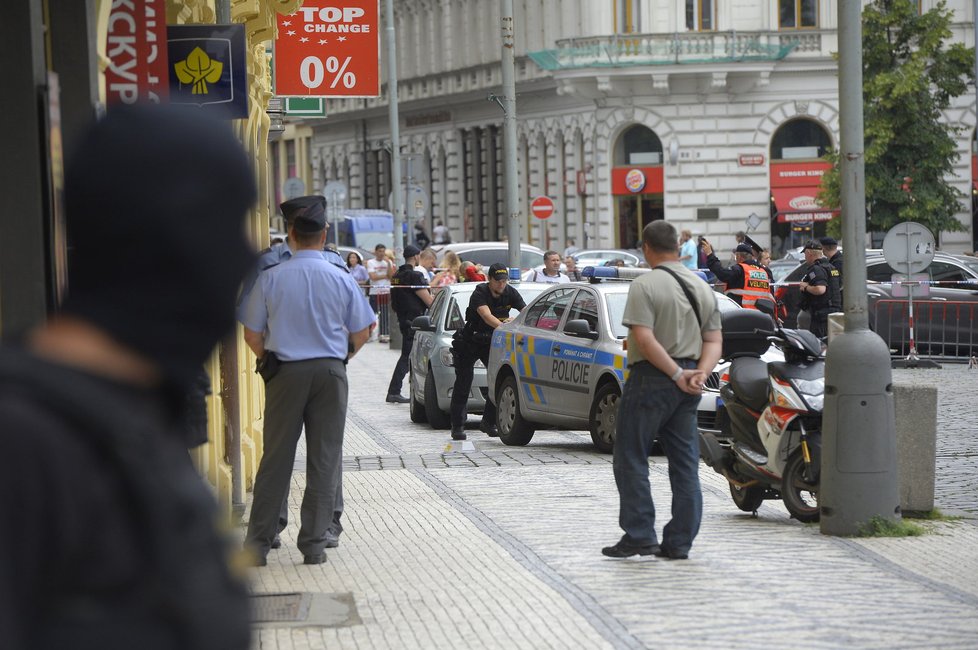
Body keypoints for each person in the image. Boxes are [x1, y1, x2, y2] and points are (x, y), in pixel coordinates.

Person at [0, 105, 253, 648]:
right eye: (229, 224)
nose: (243, 257)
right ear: (172, 232)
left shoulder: (132, 422)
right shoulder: (22, 444)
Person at [240, 200, 375, 567]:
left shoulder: (271, 276)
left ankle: (258, 544)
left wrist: (267, 358)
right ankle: (314, 544)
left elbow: (252, 332)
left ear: (291, 236)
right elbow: (363, 330)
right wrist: (341, 355)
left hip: (285, 372)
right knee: (325, 458)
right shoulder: (341, 276)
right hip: (330, 373)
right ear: (325, 236)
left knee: (276, 458)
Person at [602, 221, 722, 561]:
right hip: (690, 383)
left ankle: (639, 534)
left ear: (646, 247)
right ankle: (679, 542)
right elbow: (714, 340)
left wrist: (674, 373)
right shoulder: (701, 286)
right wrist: (699, 373)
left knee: (631, 456)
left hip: (653, 378)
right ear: (678, 248)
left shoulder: (646, 284)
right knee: (685, 463)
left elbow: (643, 337)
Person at [450, 263, 526, 440]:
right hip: (471, 340)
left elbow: (526, 311)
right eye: (498, 281)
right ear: (490, 280)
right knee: (463, 383)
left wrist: (516, 319)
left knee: (497, 381)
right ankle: (458, 426)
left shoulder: (510, 292)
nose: (502, 284)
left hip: (492, 341)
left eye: (504, 280)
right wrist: (504, 326)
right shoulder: (480, 292)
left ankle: (488, 421)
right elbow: (486, 316)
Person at [238, 196, 347, 317]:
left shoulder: (334, 259)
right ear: (293, 230)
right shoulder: (265, 262)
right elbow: (246, 311)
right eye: (320, 228)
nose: (325, 231)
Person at [386, 245, 434, 403]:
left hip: (403, 319)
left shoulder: (396, 275)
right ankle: (394, 391)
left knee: (408, 356)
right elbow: (428, 301)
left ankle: (397, 390)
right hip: (415, 321)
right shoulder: (414, 276)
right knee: (407, 356)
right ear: (416, 256)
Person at [701, 239, 776, 317]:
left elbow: (721, 273)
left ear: (739, 256)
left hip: (743, 316)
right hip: (763, 317)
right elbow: (771, 296)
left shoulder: (740, 270)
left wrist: (710, 255)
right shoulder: (764, 271)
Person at [797, 239, 841, 338]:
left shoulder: (816, 268)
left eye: (805, 254)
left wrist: (806, 287)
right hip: (833, 311)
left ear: (809, 253)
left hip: (821, 314)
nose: (805, 257)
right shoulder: (831, 267)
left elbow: (820, 289)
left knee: (818, 343)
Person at [367, 244, 394, 342]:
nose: (381, 253)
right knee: (373, 314)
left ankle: (384, 334)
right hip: (375, 292)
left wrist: (389, 264)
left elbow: (391, 276)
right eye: (379, 251)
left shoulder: (387, 262)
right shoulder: (371, 262)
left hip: (386, 291)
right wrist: (385, 275)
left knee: (385, 314)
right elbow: (373, 277)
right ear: (376, 252)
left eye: (383, 251)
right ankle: (372, 333)